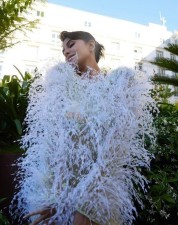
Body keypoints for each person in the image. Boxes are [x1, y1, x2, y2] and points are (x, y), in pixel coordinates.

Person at [11, 31, 157, 225]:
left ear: (91, 45)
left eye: (71, 44)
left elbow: (116, 147)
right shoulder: (62, 83)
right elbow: (52, 144)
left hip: (100, 192)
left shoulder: (120, 82)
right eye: (63, 49)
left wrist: (87, 203)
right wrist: (55, 198)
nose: (65, 52)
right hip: (56, 191)